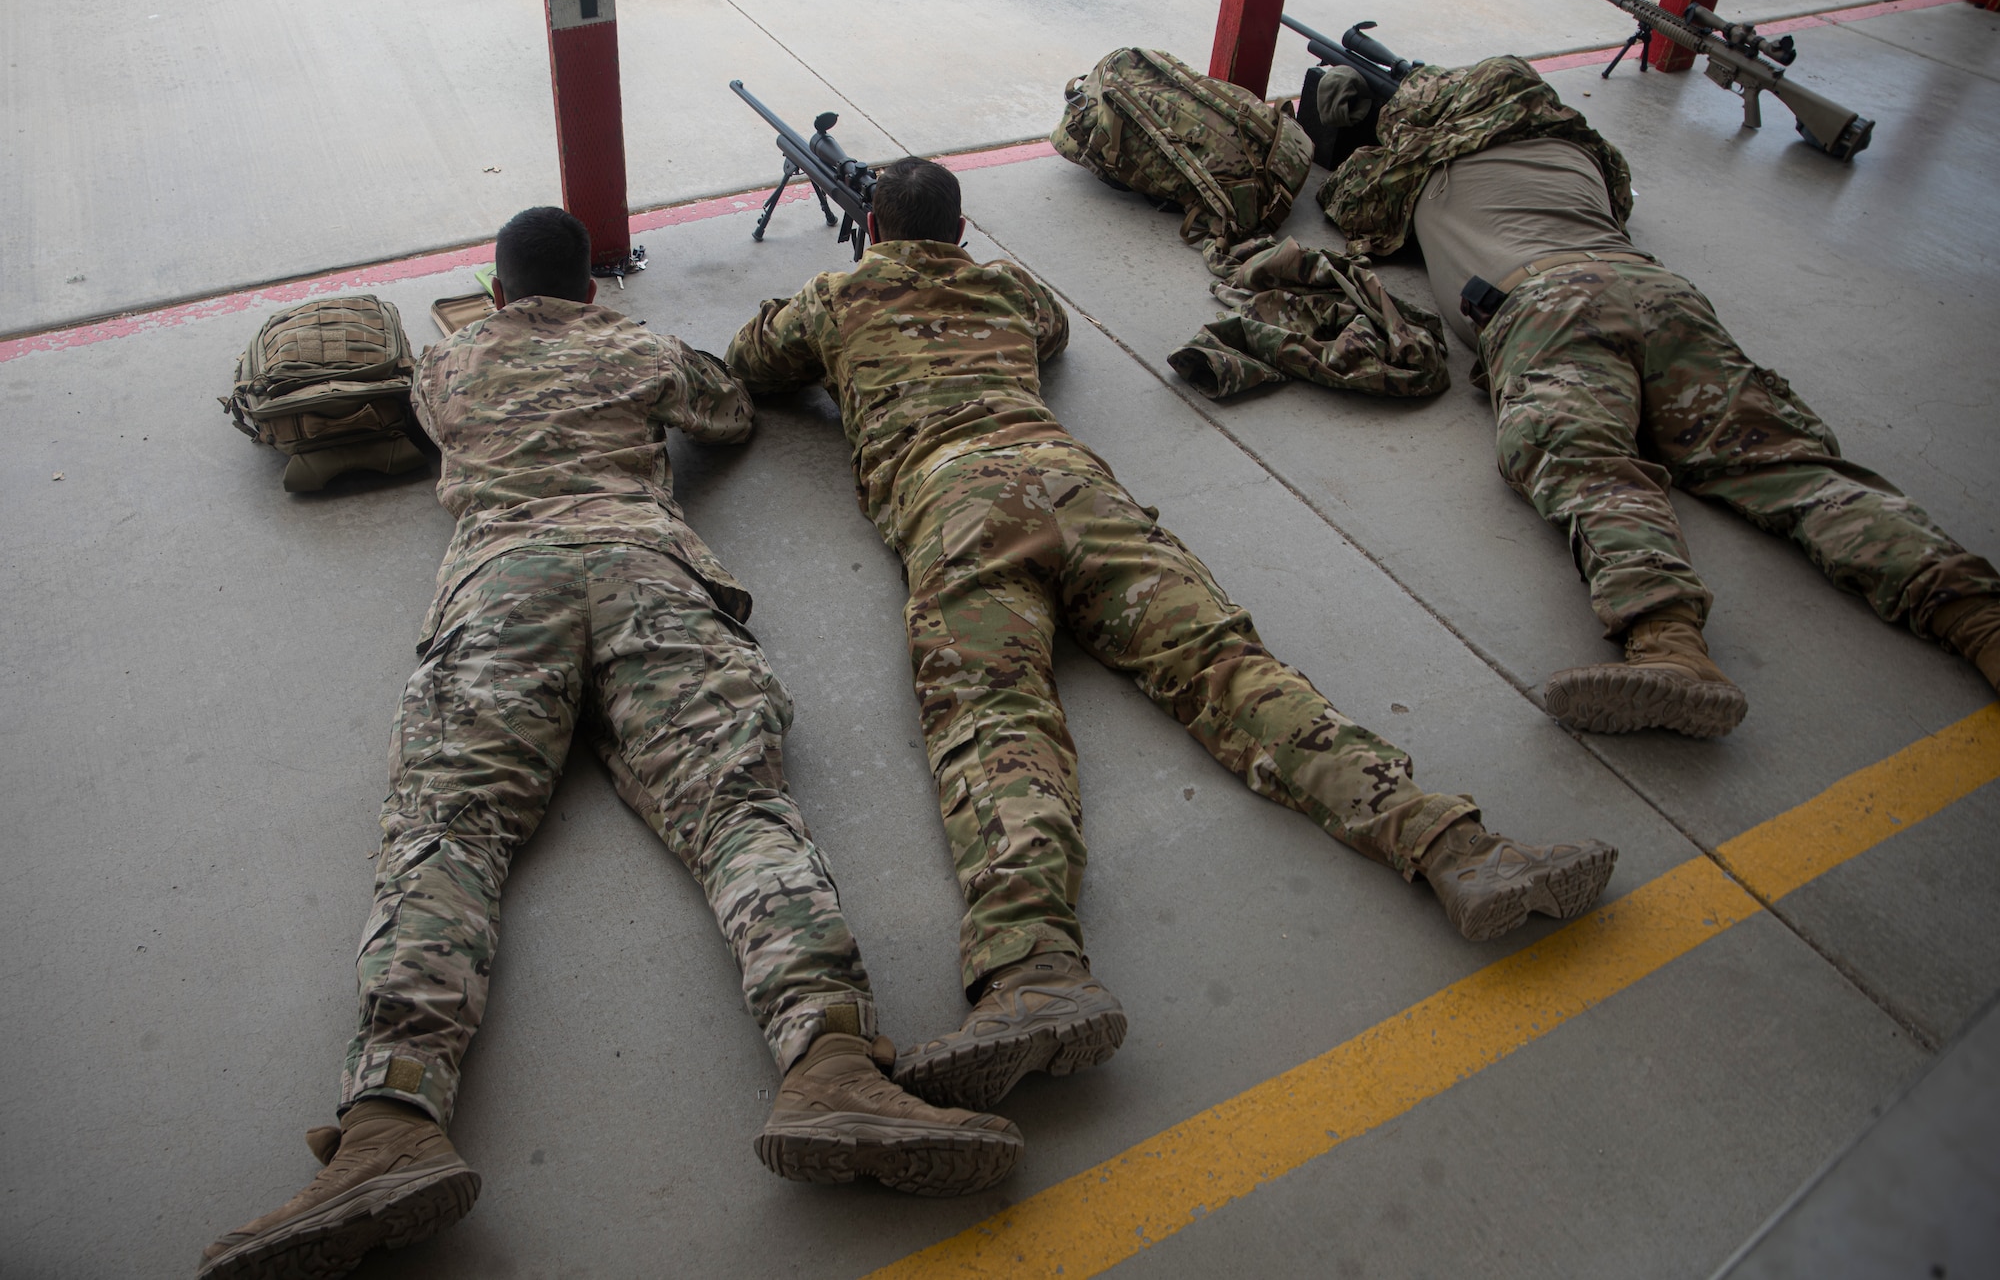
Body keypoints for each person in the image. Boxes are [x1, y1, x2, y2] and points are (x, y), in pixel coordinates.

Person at [197, 208, 1022, 1280]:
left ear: (495, 295)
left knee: (447, 835)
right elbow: (726, 414)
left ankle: (389, 1120)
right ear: (591, 289)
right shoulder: (631, 344)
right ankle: (829, 1061)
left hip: (502, 591)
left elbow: (418, 423)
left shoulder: (449, 363)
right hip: (646, 575)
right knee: (735, 808)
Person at [725, 159, 1618, 1113]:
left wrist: (855, 292)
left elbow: (753, 360)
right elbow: (1052, 331)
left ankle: (1034, 968)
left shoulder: (835, 293)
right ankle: (1458, 847)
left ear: (869, 221)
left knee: (993, 720)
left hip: (956, 501)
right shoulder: (1006, 283)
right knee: (1228, 669)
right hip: (1075, 480)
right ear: (962, 226)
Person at [1316, 58, 2000, 737]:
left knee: (1586, 461)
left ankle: (1668, 644)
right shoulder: (1583, 153)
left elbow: (1348, 205)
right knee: (1788, 463)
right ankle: (1978, 617)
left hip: (1548, 304)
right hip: (1662, 296)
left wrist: (1381, 126)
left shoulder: (1420, 167)